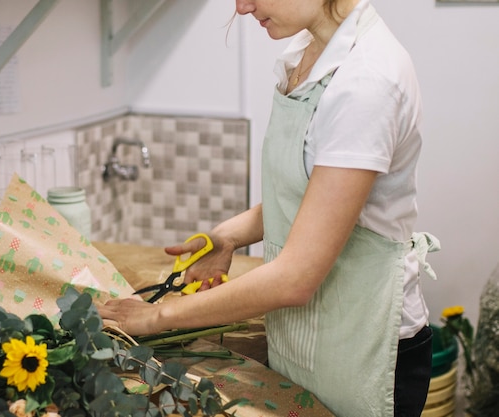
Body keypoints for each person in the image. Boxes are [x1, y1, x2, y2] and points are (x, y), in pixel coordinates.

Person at [97, 0, 441, 416]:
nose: (242, 8)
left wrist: (156, 318)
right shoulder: (308, 53)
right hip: (311, 332)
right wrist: (231, 236)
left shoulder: (367, 80)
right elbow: (311, 192)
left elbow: (295, 278)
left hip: (365, 345)